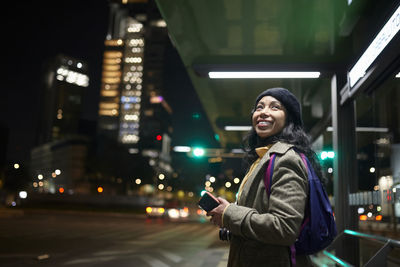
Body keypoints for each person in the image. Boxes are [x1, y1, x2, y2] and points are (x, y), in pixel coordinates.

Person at [207, 87, 325, 267]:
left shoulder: (286, 160)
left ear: (289, 118)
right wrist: (228, 221)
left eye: (274, 107)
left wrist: (229, 213)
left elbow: (284, 228)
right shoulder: (263, 158)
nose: (263, 112)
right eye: (259, 107)